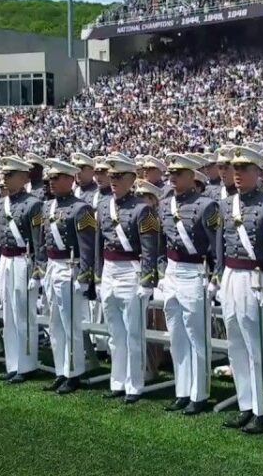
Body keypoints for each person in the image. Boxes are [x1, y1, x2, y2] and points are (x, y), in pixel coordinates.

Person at [215, 146, 263, 434]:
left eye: (244, 169)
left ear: (258, 172)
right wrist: (220, 277)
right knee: (235, 344)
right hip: (232, 276)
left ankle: (262, 408)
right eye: (235, 169)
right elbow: (221, 246)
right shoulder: (226, 205)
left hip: (256, 278)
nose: (237, 174)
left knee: (257, 346)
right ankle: (246, 403)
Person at [95, 154, 161, 404]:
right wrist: (99, 275)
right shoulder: (103, 206)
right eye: (111, 176)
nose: (113, 181)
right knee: (115, 332)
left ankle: (134, 384)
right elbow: (100, 244)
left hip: (130, 270)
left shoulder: (142, 209)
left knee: (133, 332)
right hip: (110, 270)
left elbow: (149, 248)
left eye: (119, 176)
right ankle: (117, 380)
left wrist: (146, 280)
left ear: (132, 178)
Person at [158, 154, 219, 414]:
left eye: (178, 173)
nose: (173, 177)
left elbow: (217, 244)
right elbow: (161, 240)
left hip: (195, 270)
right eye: (171, 173)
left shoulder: (206, 206)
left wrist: (216, 275)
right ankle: (181, 389)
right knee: (176, 335)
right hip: (172, 271)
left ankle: (199, 393)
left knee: (196, 335)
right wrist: (161, 269)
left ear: (191, 176)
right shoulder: (164, 204)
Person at [36, 158, 97, 395]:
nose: (51, 182)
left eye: (56, 178)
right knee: (55, 323)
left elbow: (87, 248)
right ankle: (60, 370)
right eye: (50, 178)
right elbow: (41, 243)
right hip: (52, 266)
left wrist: (84, 277)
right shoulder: (47, 207)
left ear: (70, 179)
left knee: (70, 323)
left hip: (69, 268)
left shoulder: (81, 209)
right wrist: (40, 268)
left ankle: (74, 372)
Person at [0, 156, 44, 383]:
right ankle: (12, 363)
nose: (5, 178)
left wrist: (37, 269)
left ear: (24, 178)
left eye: (10, 175)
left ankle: (27, 364)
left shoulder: (33, 204)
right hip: (6, 260)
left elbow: (38, 242)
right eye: (4, 174)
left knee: (24, 315)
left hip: (23, 261)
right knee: (9, 316)